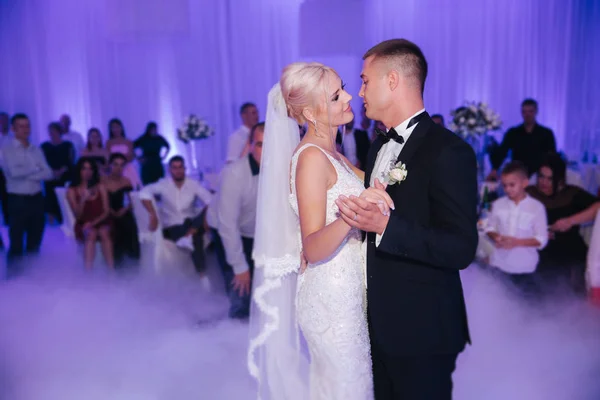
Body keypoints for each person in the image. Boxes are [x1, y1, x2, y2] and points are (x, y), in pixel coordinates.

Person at [336, 39, 478, 400]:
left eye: (366, 81)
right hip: (378, 327)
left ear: (393, 80)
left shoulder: (449, 151)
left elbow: (460, 248)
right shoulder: (378, 146)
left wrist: (385, 227)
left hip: (423, 331)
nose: (360, 91)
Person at [249, 65, 393, 399]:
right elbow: (312, 247)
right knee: (348, 389)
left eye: (342, 88)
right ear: (312, 112)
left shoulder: (332, 153)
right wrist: (353, 215)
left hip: (349, 288)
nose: (348, 97)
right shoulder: (312, 158)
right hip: (332, 298)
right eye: (335, 96)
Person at [527, 153, 600, 295]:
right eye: (541, 176)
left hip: (569, 252)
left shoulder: (571, 194)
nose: (544, 182)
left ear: (560, 180)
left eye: (550, 179)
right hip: (539, 252)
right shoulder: (529, 194)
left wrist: (570, 221)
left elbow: (598, 207)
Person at [214, 122, 264, 319]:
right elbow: (227, 225)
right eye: (260, 144)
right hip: (228, 233)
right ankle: (232, 341)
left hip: (258, 235)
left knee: (262, 298)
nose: (266, 150)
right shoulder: (234, 173)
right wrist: (239, 266)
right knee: (241, 295)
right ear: (250, 146)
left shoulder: (283, 168)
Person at [140, 156, 213, 275]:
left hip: (190, 223)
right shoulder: (163, 184)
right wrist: (152, 214)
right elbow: (144, 192)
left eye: (180, 167)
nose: (178, 170)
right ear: (169, 170)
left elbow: (210, 201)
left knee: (195, 227)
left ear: (185, 168)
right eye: (174, 168)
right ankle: (202, 274)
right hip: (172, 226)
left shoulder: (193, 184)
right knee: (197, 234)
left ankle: (189, 237)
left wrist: (203, 219)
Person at [484, 161, 548, 296]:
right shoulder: (497, 205)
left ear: (525, 183)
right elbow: (489, 227)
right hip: (499, 266)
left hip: (525, 269)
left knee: (523, 310)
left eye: (512, 185)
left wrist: (516, 242)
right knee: (498, 306)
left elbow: (542, 239)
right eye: (505, 185)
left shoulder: (536, 207)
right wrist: (497, 237)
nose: (508, 189)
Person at [1, 113, 53, 273]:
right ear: (13, 129)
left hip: (37, 199)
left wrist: (28, 172)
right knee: (16, 242)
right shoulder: (6, 150)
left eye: (28, 125)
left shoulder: (36, 149)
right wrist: (36, 170)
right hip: (17, 200)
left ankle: (32, 278)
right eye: (21, 126)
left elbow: (49, 173)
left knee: (35, 240)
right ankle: (14, 279)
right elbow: (13, 173)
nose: (26, 129)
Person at [487, 99, 556, 178]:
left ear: (536, 112)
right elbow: (502, 151)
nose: (527, 114)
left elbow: (552, 156)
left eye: (530, 111)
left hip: (538, 175)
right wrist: (494, 169)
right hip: (517, 174)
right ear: (521, 113)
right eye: (524, 112)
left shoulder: (546, 133)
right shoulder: (513, 132)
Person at [67, 157, 114, 269]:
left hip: (102, 220)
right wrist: (83, 199)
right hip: (83, 222)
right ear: (79, 170)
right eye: (84, 169)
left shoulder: (101, 187)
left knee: (103, 232)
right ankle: (88, 273)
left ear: (94, 171)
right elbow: (77, 216)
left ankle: (111, 271)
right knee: (91, 233)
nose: (87, 172)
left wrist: (93, 223)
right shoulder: (72, 190)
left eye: (90, 169)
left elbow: (107, 211)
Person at [104, 153, 140, 267]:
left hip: (123, 211)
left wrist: (124, 210)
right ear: (109, 165)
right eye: (115, 164)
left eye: (121, 165)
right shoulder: (102, 180)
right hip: (105, 212)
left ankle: (133, 260)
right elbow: (98, 201)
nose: (118, 168)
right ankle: (117, 263)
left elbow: (132, 201)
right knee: (114, 226)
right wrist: (110, 211)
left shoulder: (126, 181)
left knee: (129, 224)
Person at [41, 122, 75, 224]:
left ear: (59, 131)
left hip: (65, 176)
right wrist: (52, 172)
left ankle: (65, 221)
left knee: (64, 199)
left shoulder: (68, 145)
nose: (52, 133)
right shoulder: (44, 146)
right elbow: (41, 162)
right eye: (50, 131)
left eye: (54, 130)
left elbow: (71, 160)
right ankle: (51, 224)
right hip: (49, 176)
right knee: (50, 199)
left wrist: (61, 171)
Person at [106, 118, 142, 189]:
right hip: (114, 169)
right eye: (113, 127)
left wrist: (122, 163)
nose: (115, 129)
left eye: (117, 126)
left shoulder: (128, 141)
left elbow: (131, 156)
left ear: (121, 127)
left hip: (127, 167)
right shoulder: (109, 142)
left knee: (133, 188)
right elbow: (108, 158)